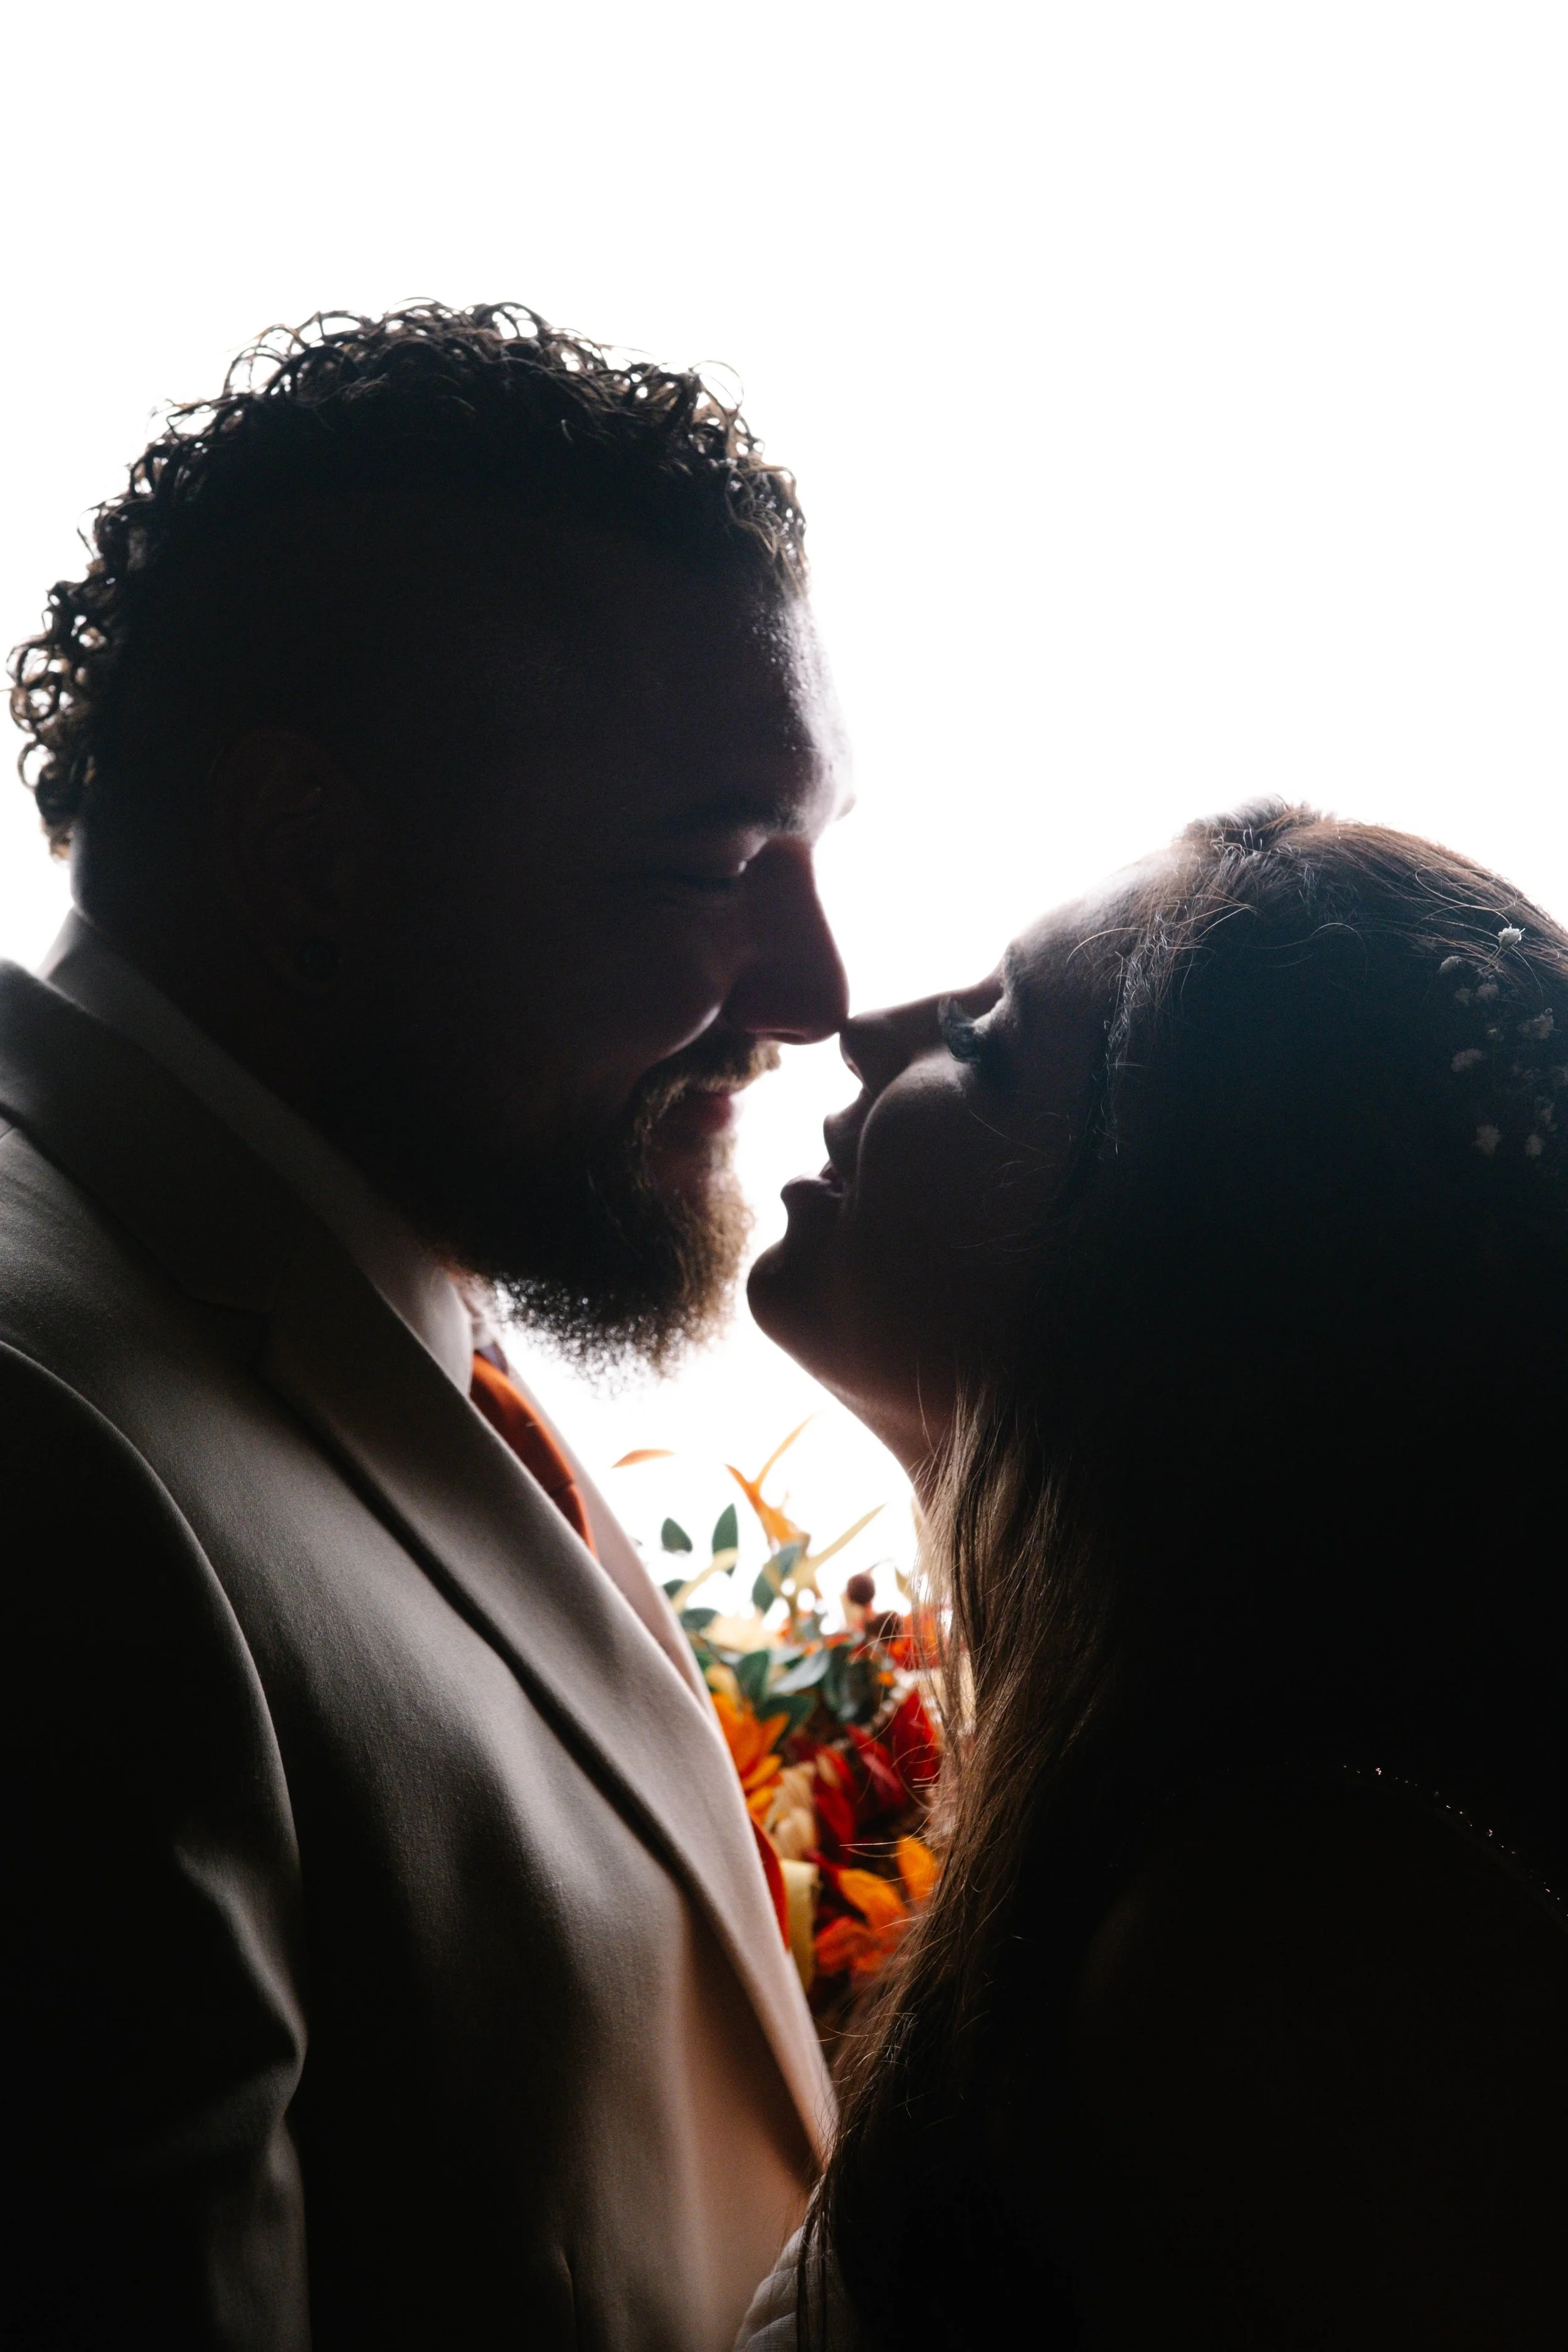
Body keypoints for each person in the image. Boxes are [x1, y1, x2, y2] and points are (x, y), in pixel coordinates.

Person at [1, 304, 849, 2349]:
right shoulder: (44, 1447)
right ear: (312, 864)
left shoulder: (368, 1241)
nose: (815, 989)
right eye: (720, 865)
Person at [740, 803, 1568, 2349]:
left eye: (984, 1041)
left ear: (1165, 1273)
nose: (864, 1029)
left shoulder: (1294, 1967)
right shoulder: (1174, 1836)